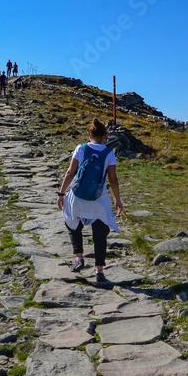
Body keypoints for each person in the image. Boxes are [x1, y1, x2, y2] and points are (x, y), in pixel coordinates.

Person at [57, 119, 123, 284]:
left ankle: (78, 258)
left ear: (89, 135)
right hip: (98, 198)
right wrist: (117, 200)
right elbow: (113, 180)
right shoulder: (109, 153)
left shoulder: (81, 148)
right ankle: (99, 270)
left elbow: (70, 172)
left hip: (78, 196)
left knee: (72, 223)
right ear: (105, 136)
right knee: (100, 232)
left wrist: (61, 193)